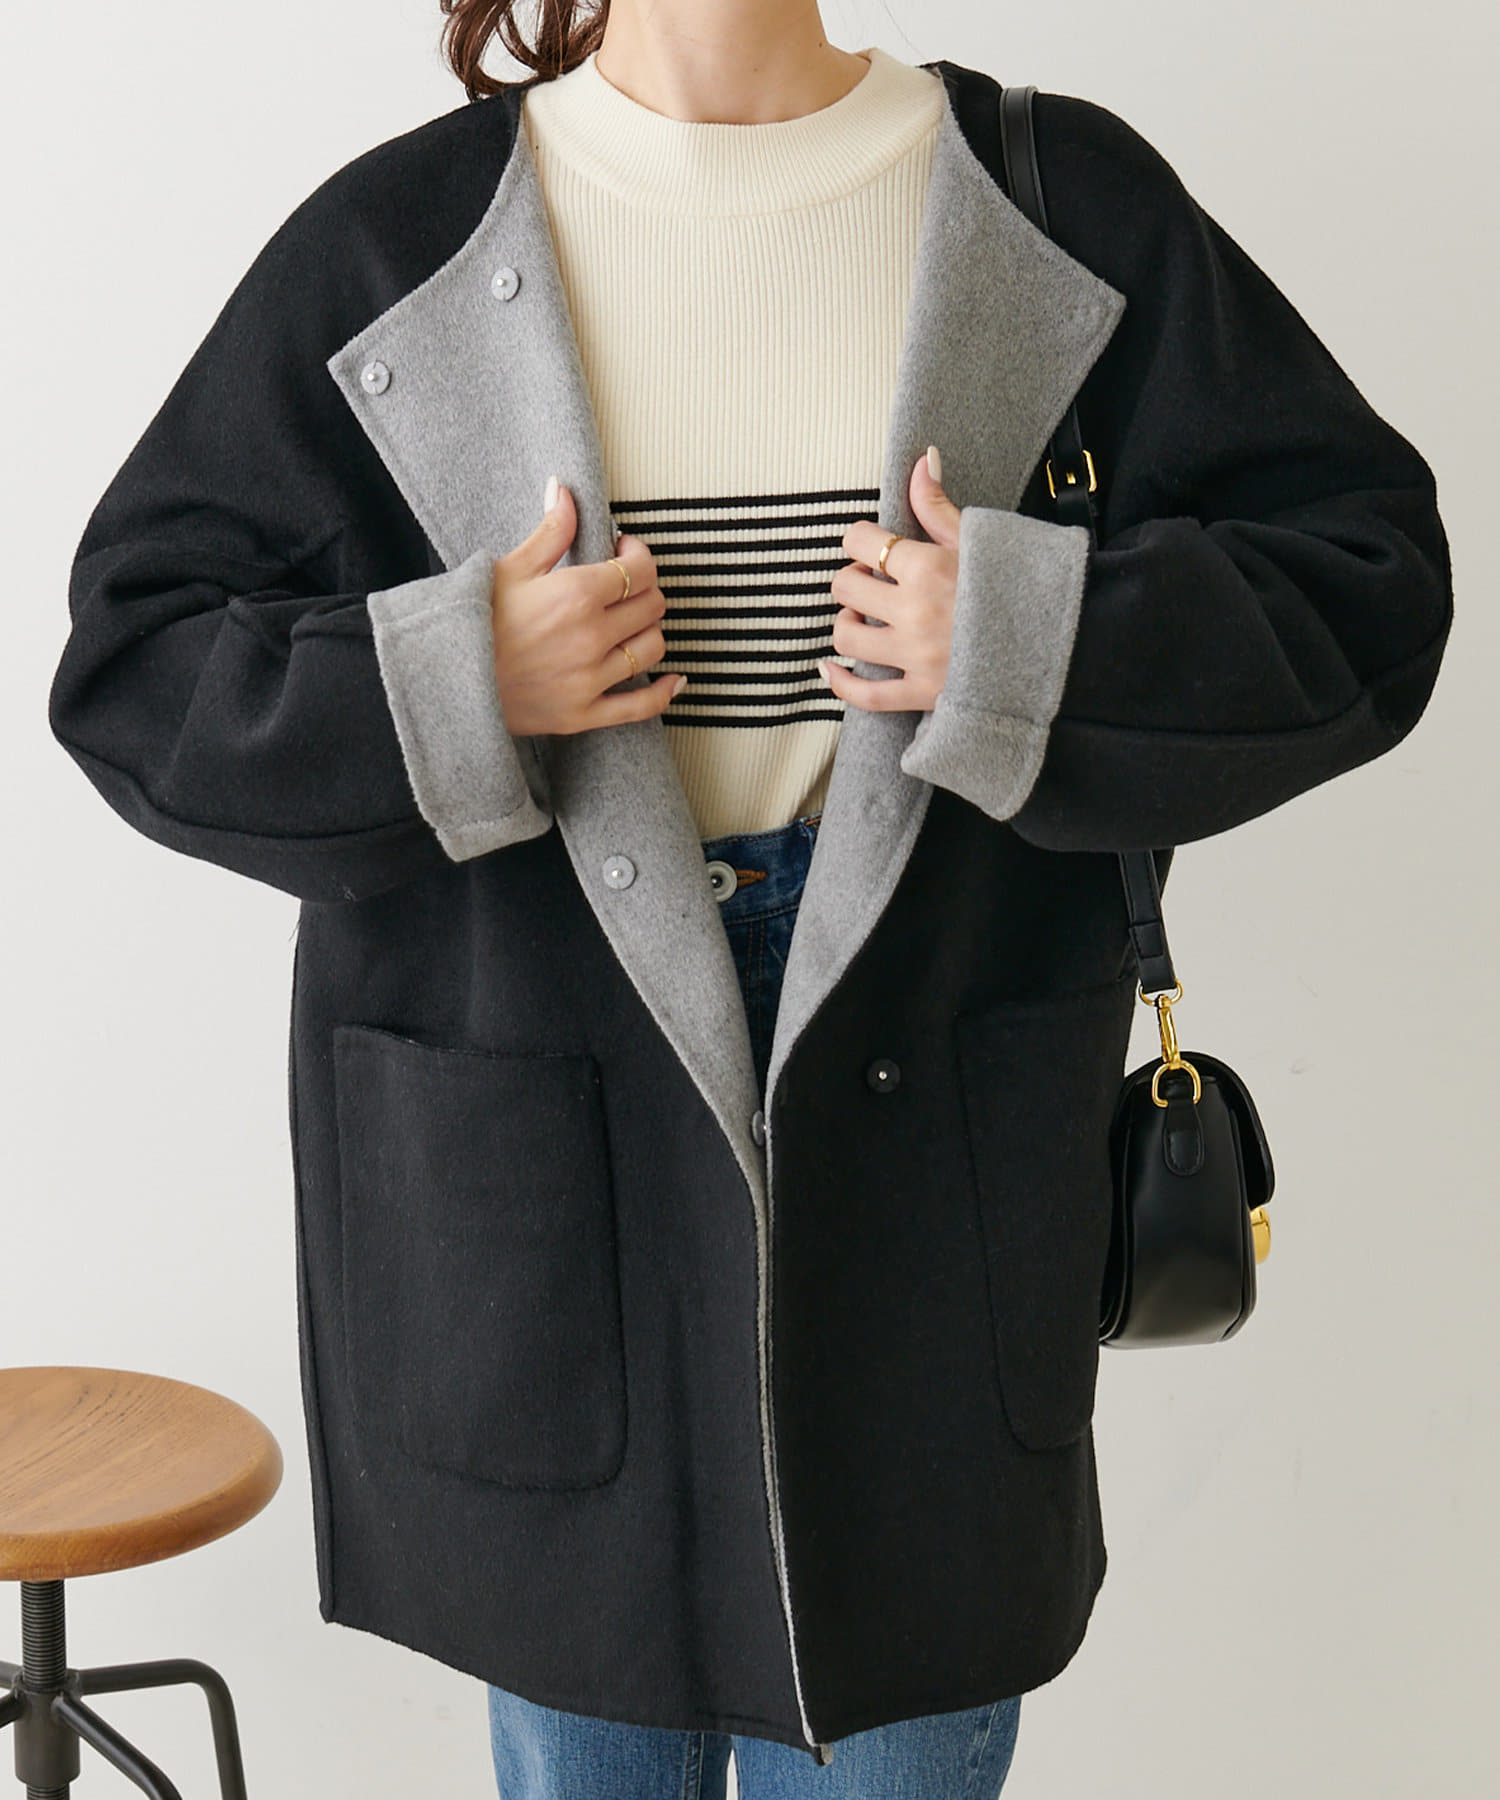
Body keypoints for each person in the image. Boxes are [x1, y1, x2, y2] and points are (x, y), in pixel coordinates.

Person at [47, 1, 1452, 1795]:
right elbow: (139, 666)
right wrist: (467, 675)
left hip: (935, 1133)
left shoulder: (1054, 196)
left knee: (907, 1666)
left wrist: (1021, 634)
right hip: (546, 1171)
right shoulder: (399, 240)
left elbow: (1367, 582)